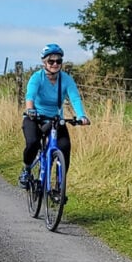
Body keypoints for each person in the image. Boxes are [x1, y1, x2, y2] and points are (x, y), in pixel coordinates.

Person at [19, 43, 90, 189]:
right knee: (32, 143)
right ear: (44, 62)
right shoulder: (37, 78)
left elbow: (75, 98)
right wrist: (30, 109)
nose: (55, 64)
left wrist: (81, 115)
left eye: (58, 61)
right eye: (51, 61)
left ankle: (59, 186)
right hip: (35, 117)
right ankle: (26, 170)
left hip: (55, 120)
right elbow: (30, 95)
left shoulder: (66, 79)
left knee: (65, 147)